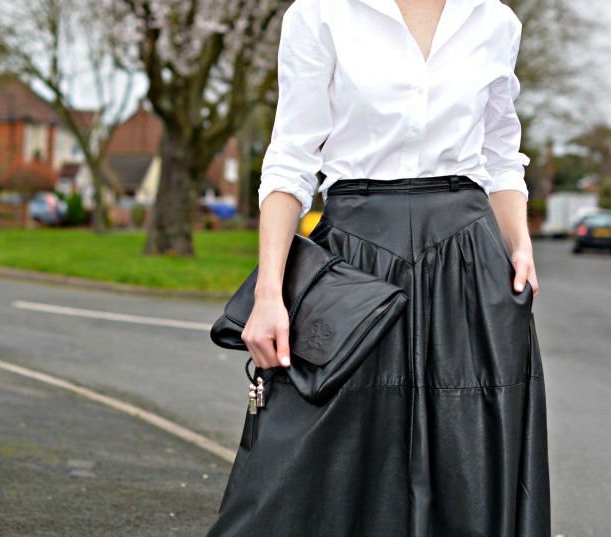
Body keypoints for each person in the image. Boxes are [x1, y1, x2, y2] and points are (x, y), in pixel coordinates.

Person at [206, 0, 550, 535]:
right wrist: (269, 293)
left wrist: (519, 243)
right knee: (314, 466)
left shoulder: (495, 20)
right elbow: (291, 159)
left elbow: (501, 153)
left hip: (468, 263)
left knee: (468, 468)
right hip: (355, 256)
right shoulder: (320, 13)